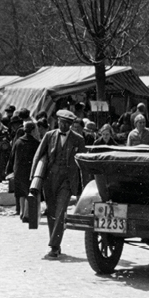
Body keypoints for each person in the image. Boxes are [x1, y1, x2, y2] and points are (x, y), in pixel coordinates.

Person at [31, 109, 86, 259]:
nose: (63, 126)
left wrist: (84, 185)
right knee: (51, 211)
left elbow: (83, 162)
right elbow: (39, 154)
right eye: (62, 123)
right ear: (58, 122)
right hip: (50, 178)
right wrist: (33, 178)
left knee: (61, 211)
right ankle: (56, 243)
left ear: (71, 125)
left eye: (67, 124)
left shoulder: (78, 139)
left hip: (67, 180)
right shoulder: (49, 136)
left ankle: (54, 247)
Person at [7, 121, 40, 219]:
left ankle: (21, 211)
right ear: (33, 130)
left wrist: (9, 170)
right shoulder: (36, 143)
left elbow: (12, 156)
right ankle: (26, 213)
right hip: (29, 171)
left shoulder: (18, 141)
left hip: (18, 170)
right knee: (28, 191)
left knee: (20, 192)